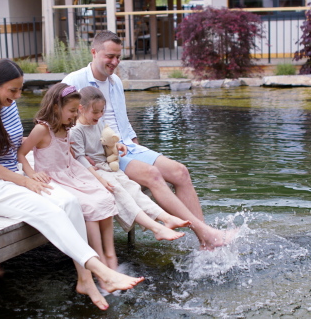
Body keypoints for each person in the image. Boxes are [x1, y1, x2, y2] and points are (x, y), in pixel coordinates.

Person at [0, 59, 143, 311]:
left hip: (16, 180)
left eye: (20, 89)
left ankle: (84, 279)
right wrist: (25, 179)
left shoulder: (10, 108)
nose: (17, 95)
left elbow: (19, 146)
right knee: (51, 211)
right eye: (12, 90)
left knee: (70, 202)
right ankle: (100, 271)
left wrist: (30, 170)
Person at [63, 31, 237, 250]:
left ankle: (205, 242)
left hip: (127, 146)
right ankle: (207, 234)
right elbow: (59, 122)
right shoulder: (73, 81)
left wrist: (136, 145)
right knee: (153, 175)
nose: (115, 62)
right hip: (103, 154)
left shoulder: (115, 81)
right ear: (94, 52)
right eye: (110, 56)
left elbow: (122, 121)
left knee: (180, 172)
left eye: (118, 56)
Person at [17, 83, 121, 278]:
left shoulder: (66, 127)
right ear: (56, 107)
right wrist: (30, 174)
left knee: (104, 196)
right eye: (72, 110)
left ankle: (110, 253)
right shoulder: (42, 129)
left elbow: (67, 153)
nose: (75, 115)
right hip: (54, 177)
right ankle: (97, 258)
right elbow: (22, 153)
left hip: (71, 172)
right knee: (88, 206)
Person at [70, 86, 191, 241]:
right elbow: (80, 158)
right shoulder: (76, 130)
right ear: (81, 108)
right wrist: (100, 179)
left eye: (102, 111)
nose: (99, 115)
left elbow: (106, 142)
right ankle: (157, 228)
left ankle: (166, 217)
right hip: (94, 172)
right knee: (120, 193)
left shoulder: (98, 124)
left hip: (108, 168)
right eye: (95, 112)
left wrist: (117, 145)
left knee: (133, 189)